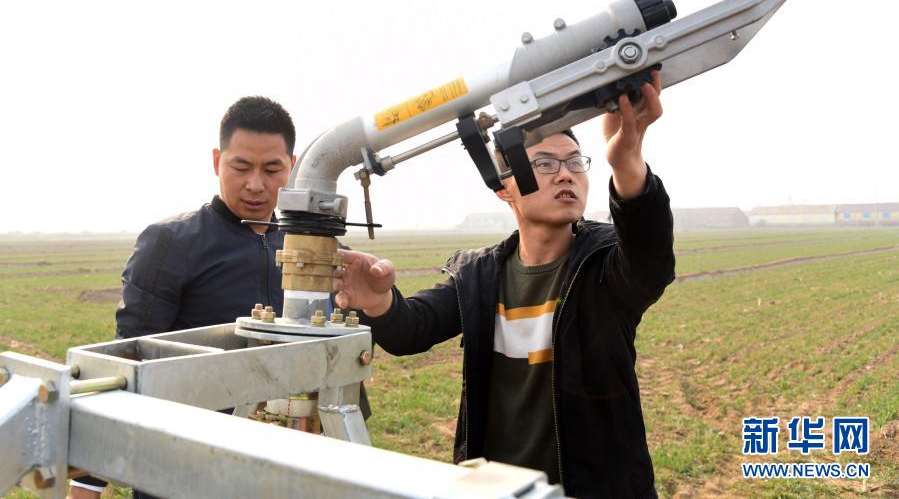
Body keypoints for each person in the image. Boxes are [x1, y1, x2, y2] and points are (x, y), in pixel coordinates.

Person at [333, 72, 675, 498]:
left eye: (574, 162)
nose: (565, 175)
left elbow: (650, 261)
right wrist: (379, 302)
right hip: (495, 490)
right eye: (545, 164)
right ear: (503, 187)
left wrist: (626, 160)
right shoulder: (479, 274)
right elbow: (411, 329)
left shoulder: (603, 263)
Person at [69, 96, 296, 499]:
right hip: (181, 469)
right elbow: (126, 361)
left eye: (272, 169)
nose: (256, 184)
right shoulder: (170, 243)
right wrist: (85, 485)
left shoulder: (304, 248)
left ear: (292, 166)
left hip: (282, 467)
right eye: (241, 167)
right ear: (216, 161)